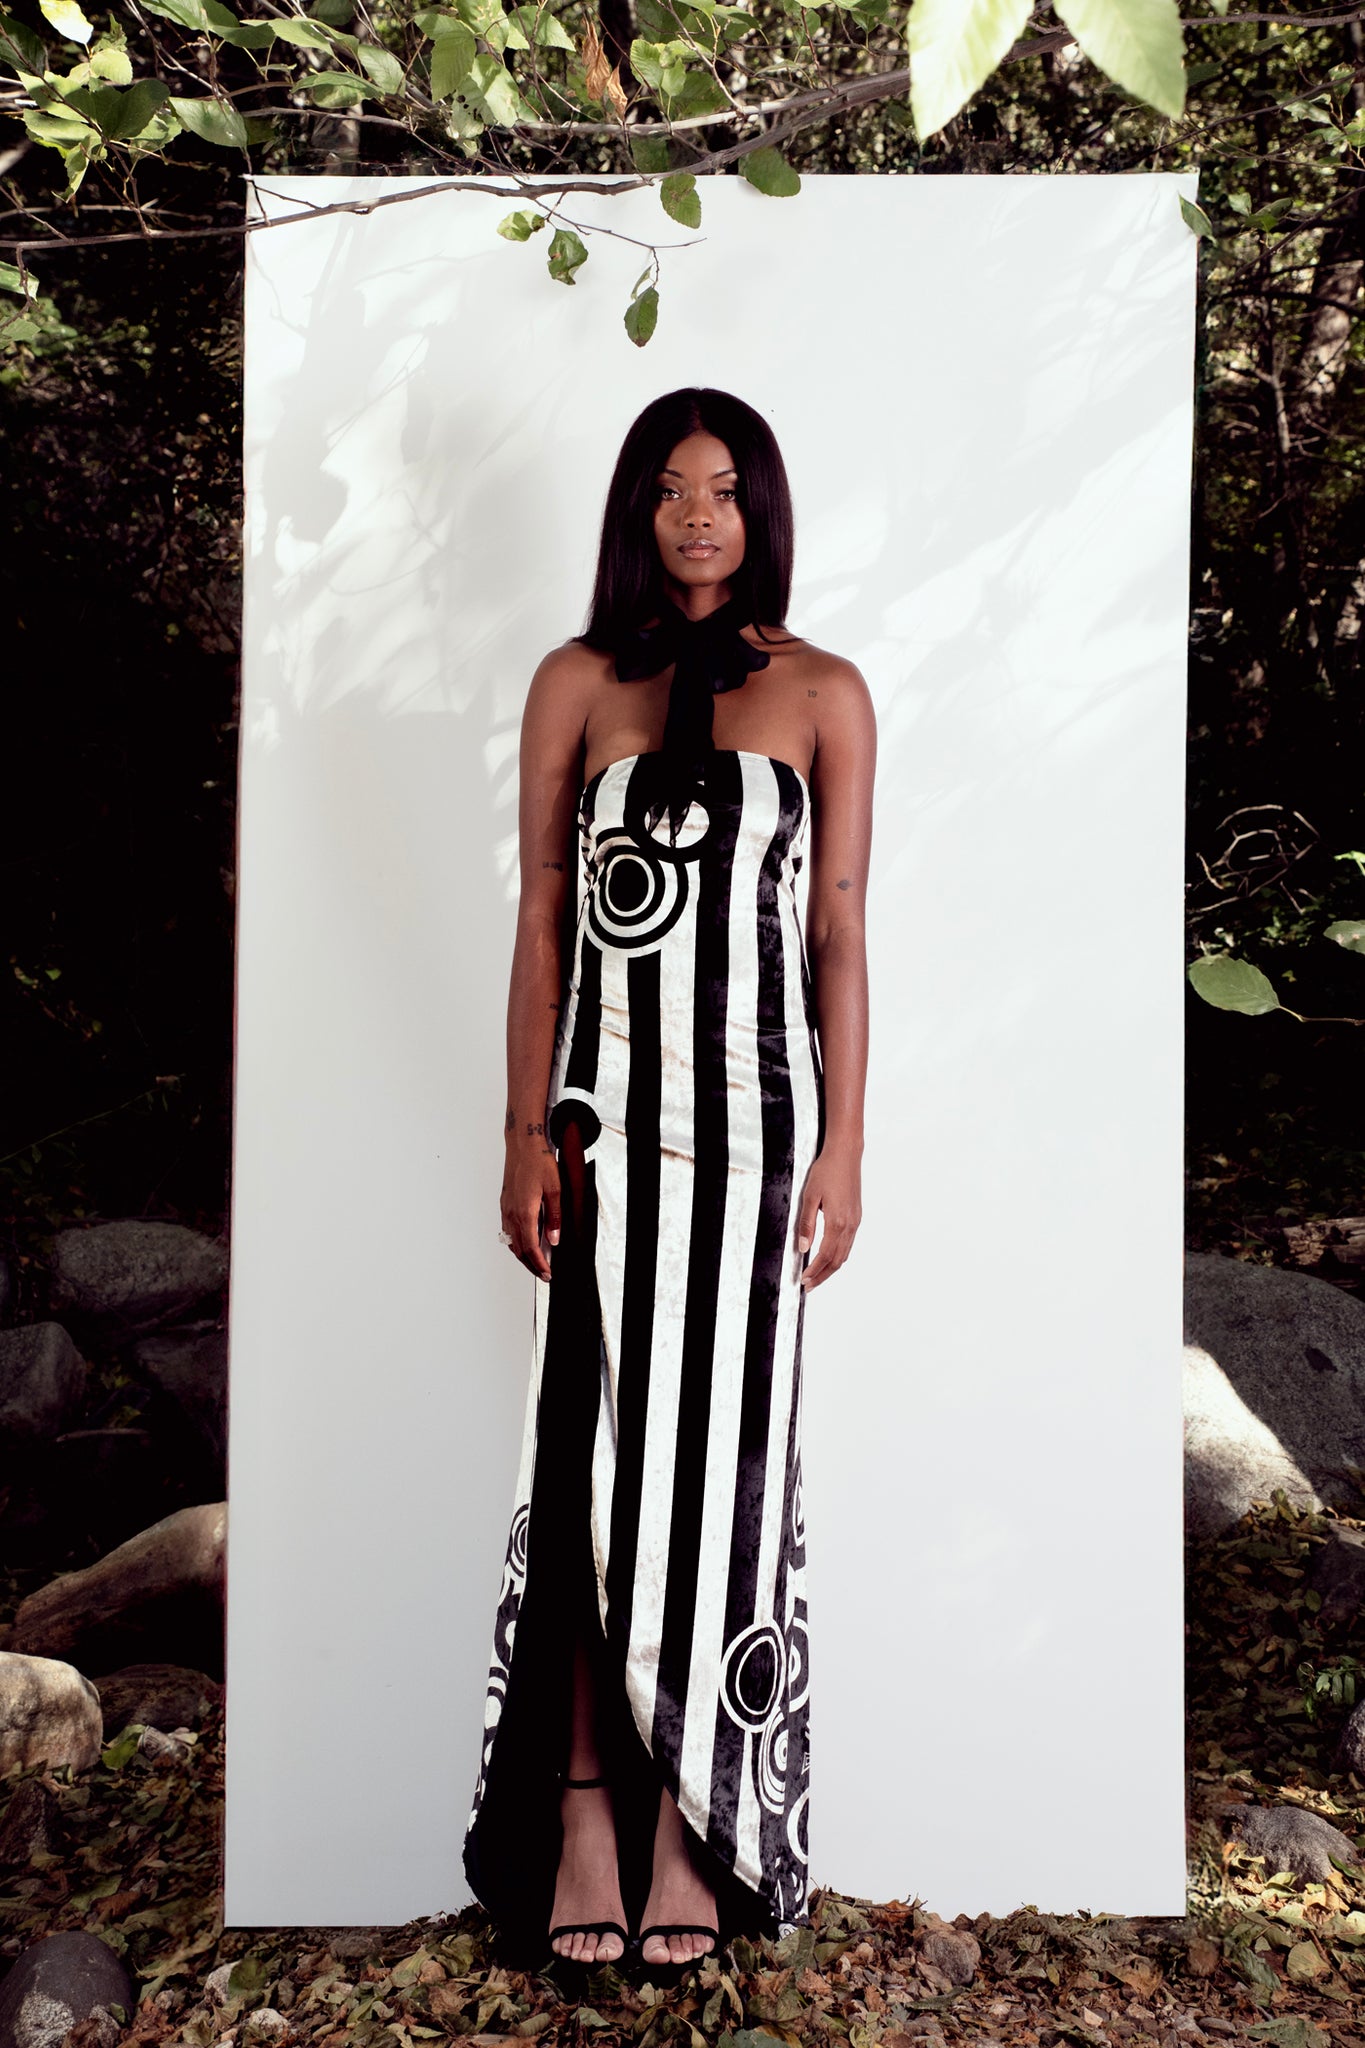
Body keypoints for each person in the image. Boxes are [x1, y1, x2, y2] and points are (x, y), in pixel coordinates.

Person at [463, 388, 875, 1974]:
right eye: (668, 490)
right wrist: (524, 1131)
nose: (697, 516)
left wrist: (842, 1143)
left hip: (761, 1137)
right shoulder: (577, 682)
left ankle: (692, 1827)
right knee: (586, 1472)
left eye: (723, 490)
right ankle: (581, 1808)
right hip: (605, 1130)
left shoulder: (826, 689)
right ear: (636, 512)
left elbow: (836, 928)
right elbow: (543, 921)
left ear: (759, 510)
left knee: (720, 1488)